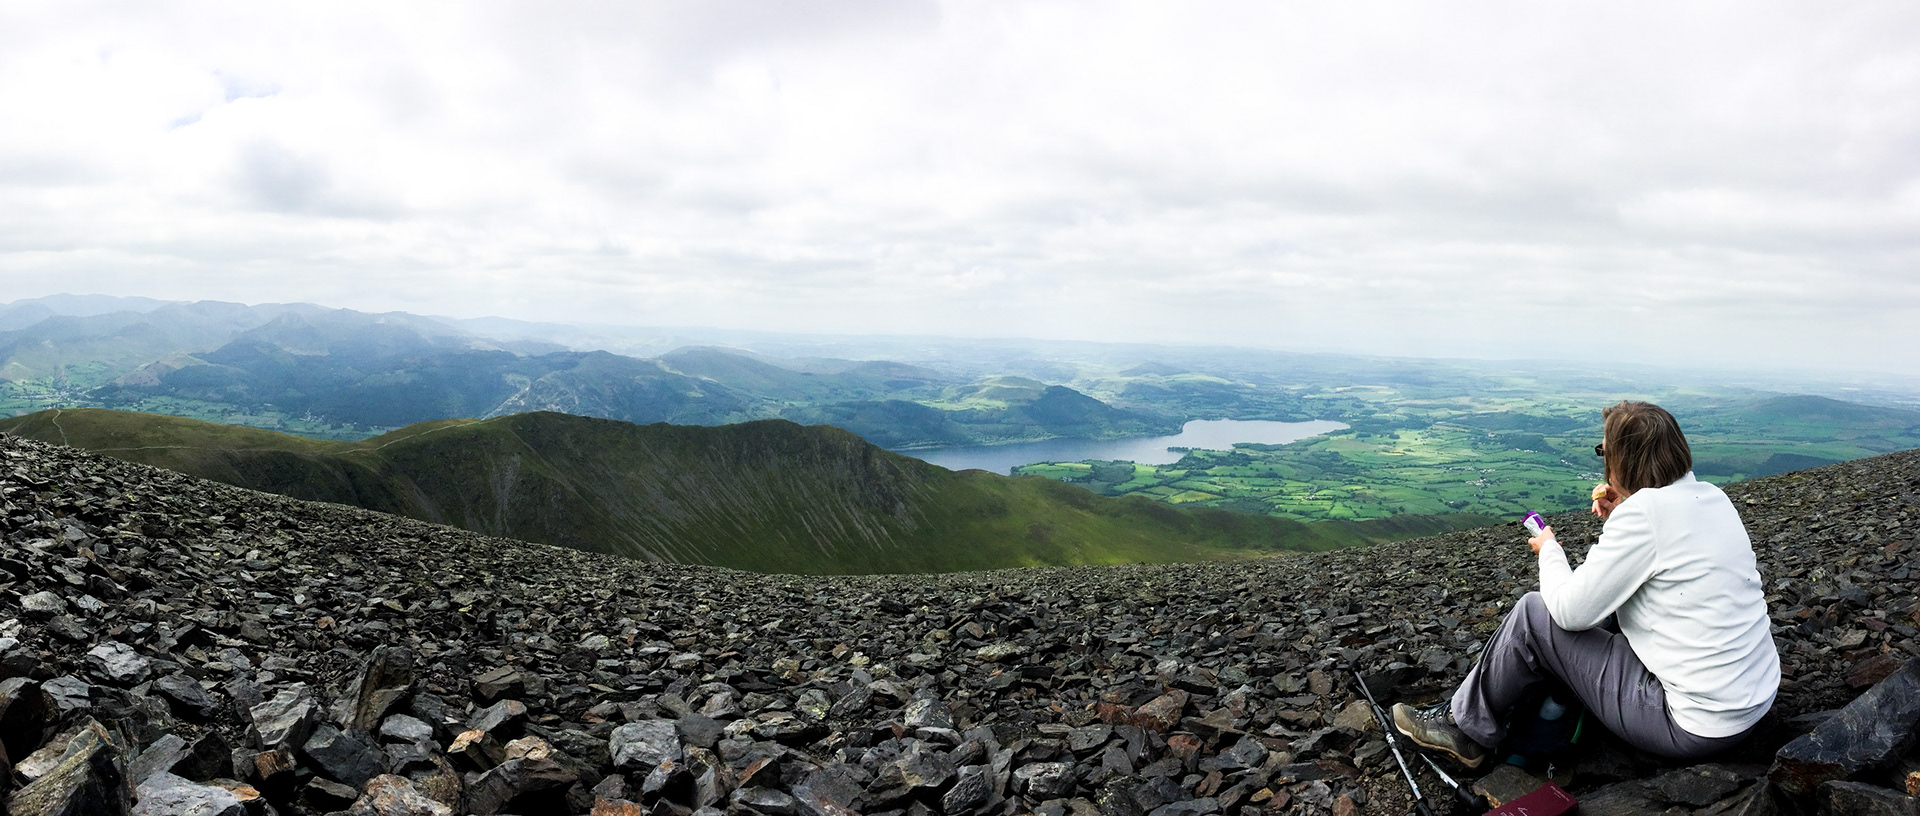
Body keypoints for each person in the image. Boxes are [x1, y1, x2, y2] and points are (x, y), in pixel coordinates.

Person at [1392, 401, 1779, 766]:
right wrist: (1622, 514)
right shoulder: (1711, 497)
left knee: (1533, 614)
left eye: (1604, 451)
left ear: (1623, 460)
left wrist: (1549, 548)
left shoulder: (1645, 515)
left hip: (1693, 725)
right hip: (1752, 701)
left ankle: (1463, 731)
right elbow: (1660, 567)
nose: (1604, 460)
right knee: (1604, 617)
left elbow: (1569, 612)